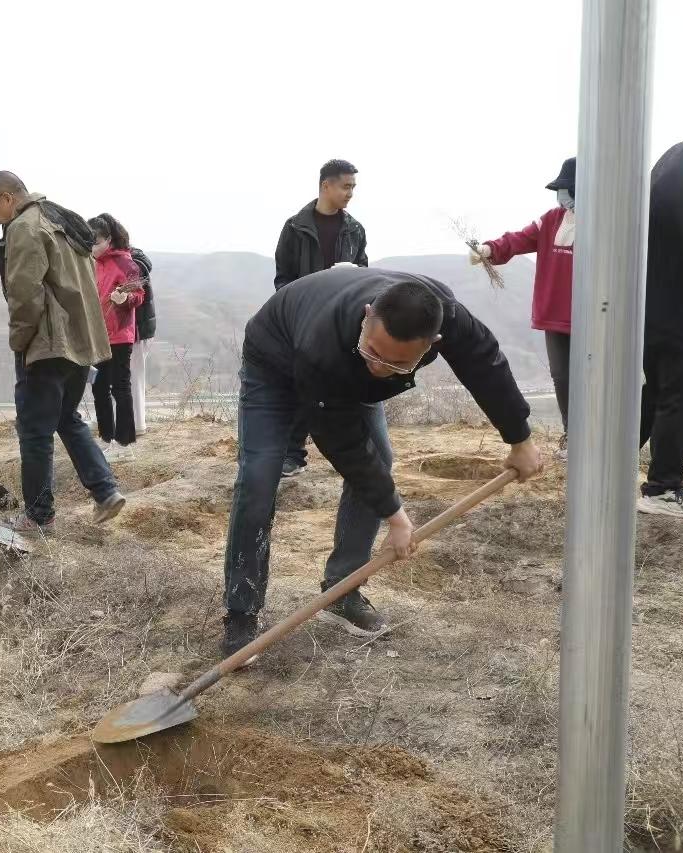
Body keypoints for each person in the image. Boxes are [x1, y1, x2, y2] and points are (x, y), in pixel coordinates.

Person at [222, 266, 543, 656]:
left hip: (342, 367)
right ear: (367, 315)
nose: (378, 368)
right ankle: (241, 612)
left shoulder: (448, 317)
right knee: (259, 476)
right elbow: (344, 444)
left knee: (382, 459)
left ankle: (342, 590)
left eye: (397, 365)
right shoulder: (324, 346)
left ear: (433, 343)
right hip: (275, 358)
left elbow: (484, 366)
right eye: (374, 352)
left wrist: (519, 438)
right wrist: (395, 515)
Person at [0, 171, 126, 533]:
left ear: (6, 198)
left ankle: (39, 515)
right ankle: (106, 491)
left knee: (34, 431)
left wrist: (20, 340)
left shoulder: (25, 227)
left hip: (48, 343)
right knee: (65, 417)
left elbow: (24, 293)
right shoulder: (63, 218)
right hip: (81, 340)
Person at [273, 159, 370, 479]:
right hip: (304, 319)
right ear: (325, 185)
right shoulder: (294, 227)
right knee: (300, 384)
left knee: (344, 385)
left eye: (353, 187)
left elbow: (364, 275)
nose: (351, 193)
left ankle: (352, 454)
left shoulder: (355, 229)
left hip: (343, 320)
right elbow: (283, 277)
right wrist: (296, 309)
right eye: (346, 186)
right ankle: (292, 454)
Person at [472, 158, 576, 454]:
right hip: (555, 316)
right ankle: (572, 435)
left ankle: (599, 437)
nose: (563, 195)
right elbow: (518, 239)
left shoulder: (604, 224)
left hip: (595, 317)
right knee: (562, 378)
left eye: (568, 189)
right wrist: (489, 249)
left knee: (595, 379)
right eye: (561, 190)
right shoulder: (551, 220)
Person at [639, 131, 683, 518]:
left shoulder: (679, 156)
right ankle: (663, 488)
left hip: (657, 304)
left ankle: (602, 464)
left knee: (658, 396)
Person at [88, 214, 145, 461]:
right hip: (98, 335)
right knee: (99, 387)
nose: (93, 247)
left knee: (120, 387)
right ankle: (106, 438)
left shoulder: (125, 263)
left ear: (108, 239)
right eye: (89, 242)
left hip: (120, 335)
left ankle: (124, 443)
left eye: (96, 242)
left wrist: (125, 299)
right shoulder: (93, 263)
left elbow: (139, 295)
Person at [130, 246, 156, 434]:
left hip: (137, 330)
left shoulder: (133, 265)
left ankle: (137, 424)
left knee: (133, 377)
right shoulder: (136, 261)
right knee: (131, 377)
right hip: (138, 329)